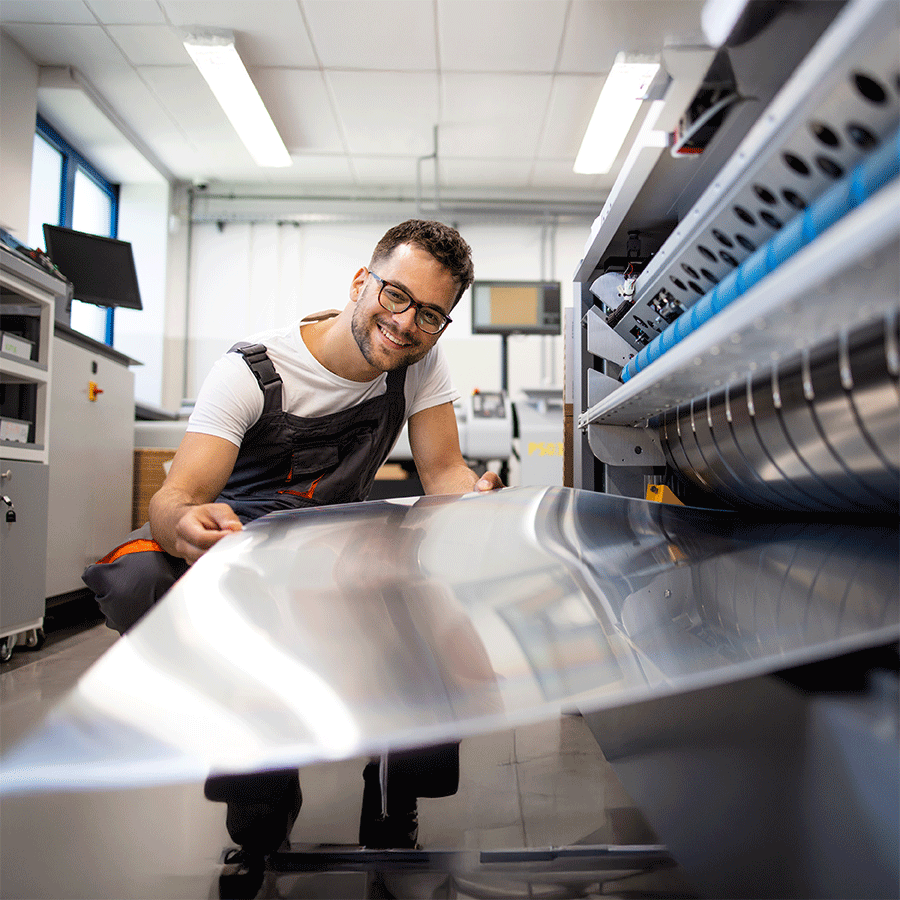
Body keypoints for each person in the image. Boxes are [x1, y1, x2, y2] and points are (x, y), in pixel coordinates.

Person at [82, 219, 503, 879]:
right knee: (138, 581)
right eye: (395, 296)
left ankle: (392, 798)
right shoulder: (254, 369)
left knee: (430, 608)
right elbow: (175, 497)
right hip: (243, 542)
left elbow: (444, 473)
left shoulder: (420, 363)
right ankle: (261, 806)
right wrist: (186, 528)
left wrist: (475, 502)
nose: (405, 323)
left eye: (430, 315)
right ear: (362, 282)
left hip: (335, 541)